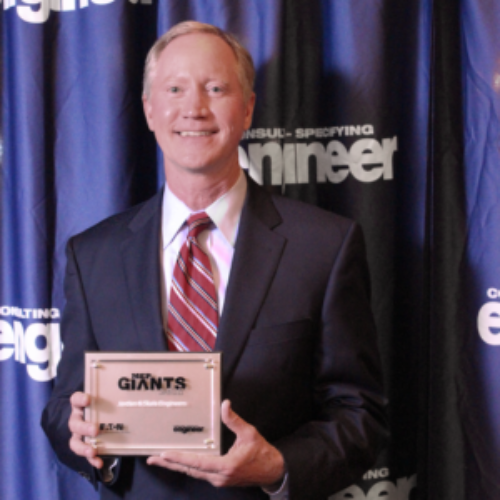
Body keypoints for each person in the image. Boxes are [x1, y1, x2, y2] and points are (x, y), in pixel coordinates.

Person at [41, 21, 388, 500]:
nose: (194, 108)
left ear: (247, 110)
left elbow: (359, 415)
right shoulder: (93, 254)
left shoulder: (325, 246)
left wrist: (277, 466)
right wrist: (78, 432)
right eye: (175, 88)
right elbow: (63, 405)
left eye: (216, 88)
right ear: (148, 109)